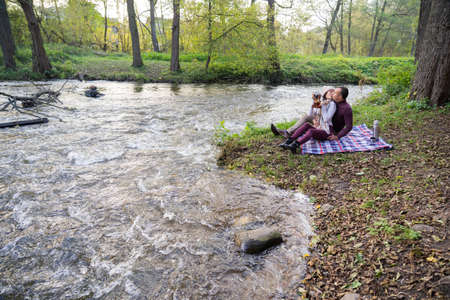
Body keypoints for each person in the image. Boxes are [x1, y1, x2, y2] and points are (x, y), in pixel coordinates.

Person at [280, 87, 352, 154]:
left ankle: (295, 145)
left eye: (335, 93)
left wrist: (337, 136)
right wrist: (315, 102)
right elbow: (312, 113)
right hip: (323, 125)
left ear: (340, 96)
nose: (333, 94)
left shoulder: (346, 108)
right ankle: (288, 141)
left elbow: (349, 126)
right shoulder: (330, 102)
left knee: (311, 131)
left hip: (331, 130)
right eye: (331, 92)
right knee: (307, 124)